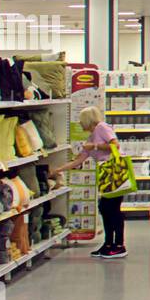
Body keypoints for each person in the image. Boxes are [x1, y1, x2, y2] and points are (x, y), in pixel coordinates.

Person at [52, 106, 127, 259]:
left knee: (110, 208)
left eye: (81, 121)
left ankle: (119, 245)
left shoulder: (101, 127)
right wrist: (58, 169)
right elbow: (78, 160)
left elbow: (115, 145)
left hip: (115, 171)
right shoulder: (91, 137)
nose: (80, 124)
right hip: (107, 172)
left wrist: (94, 146)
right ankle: (108, 244)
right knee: (106, 208)